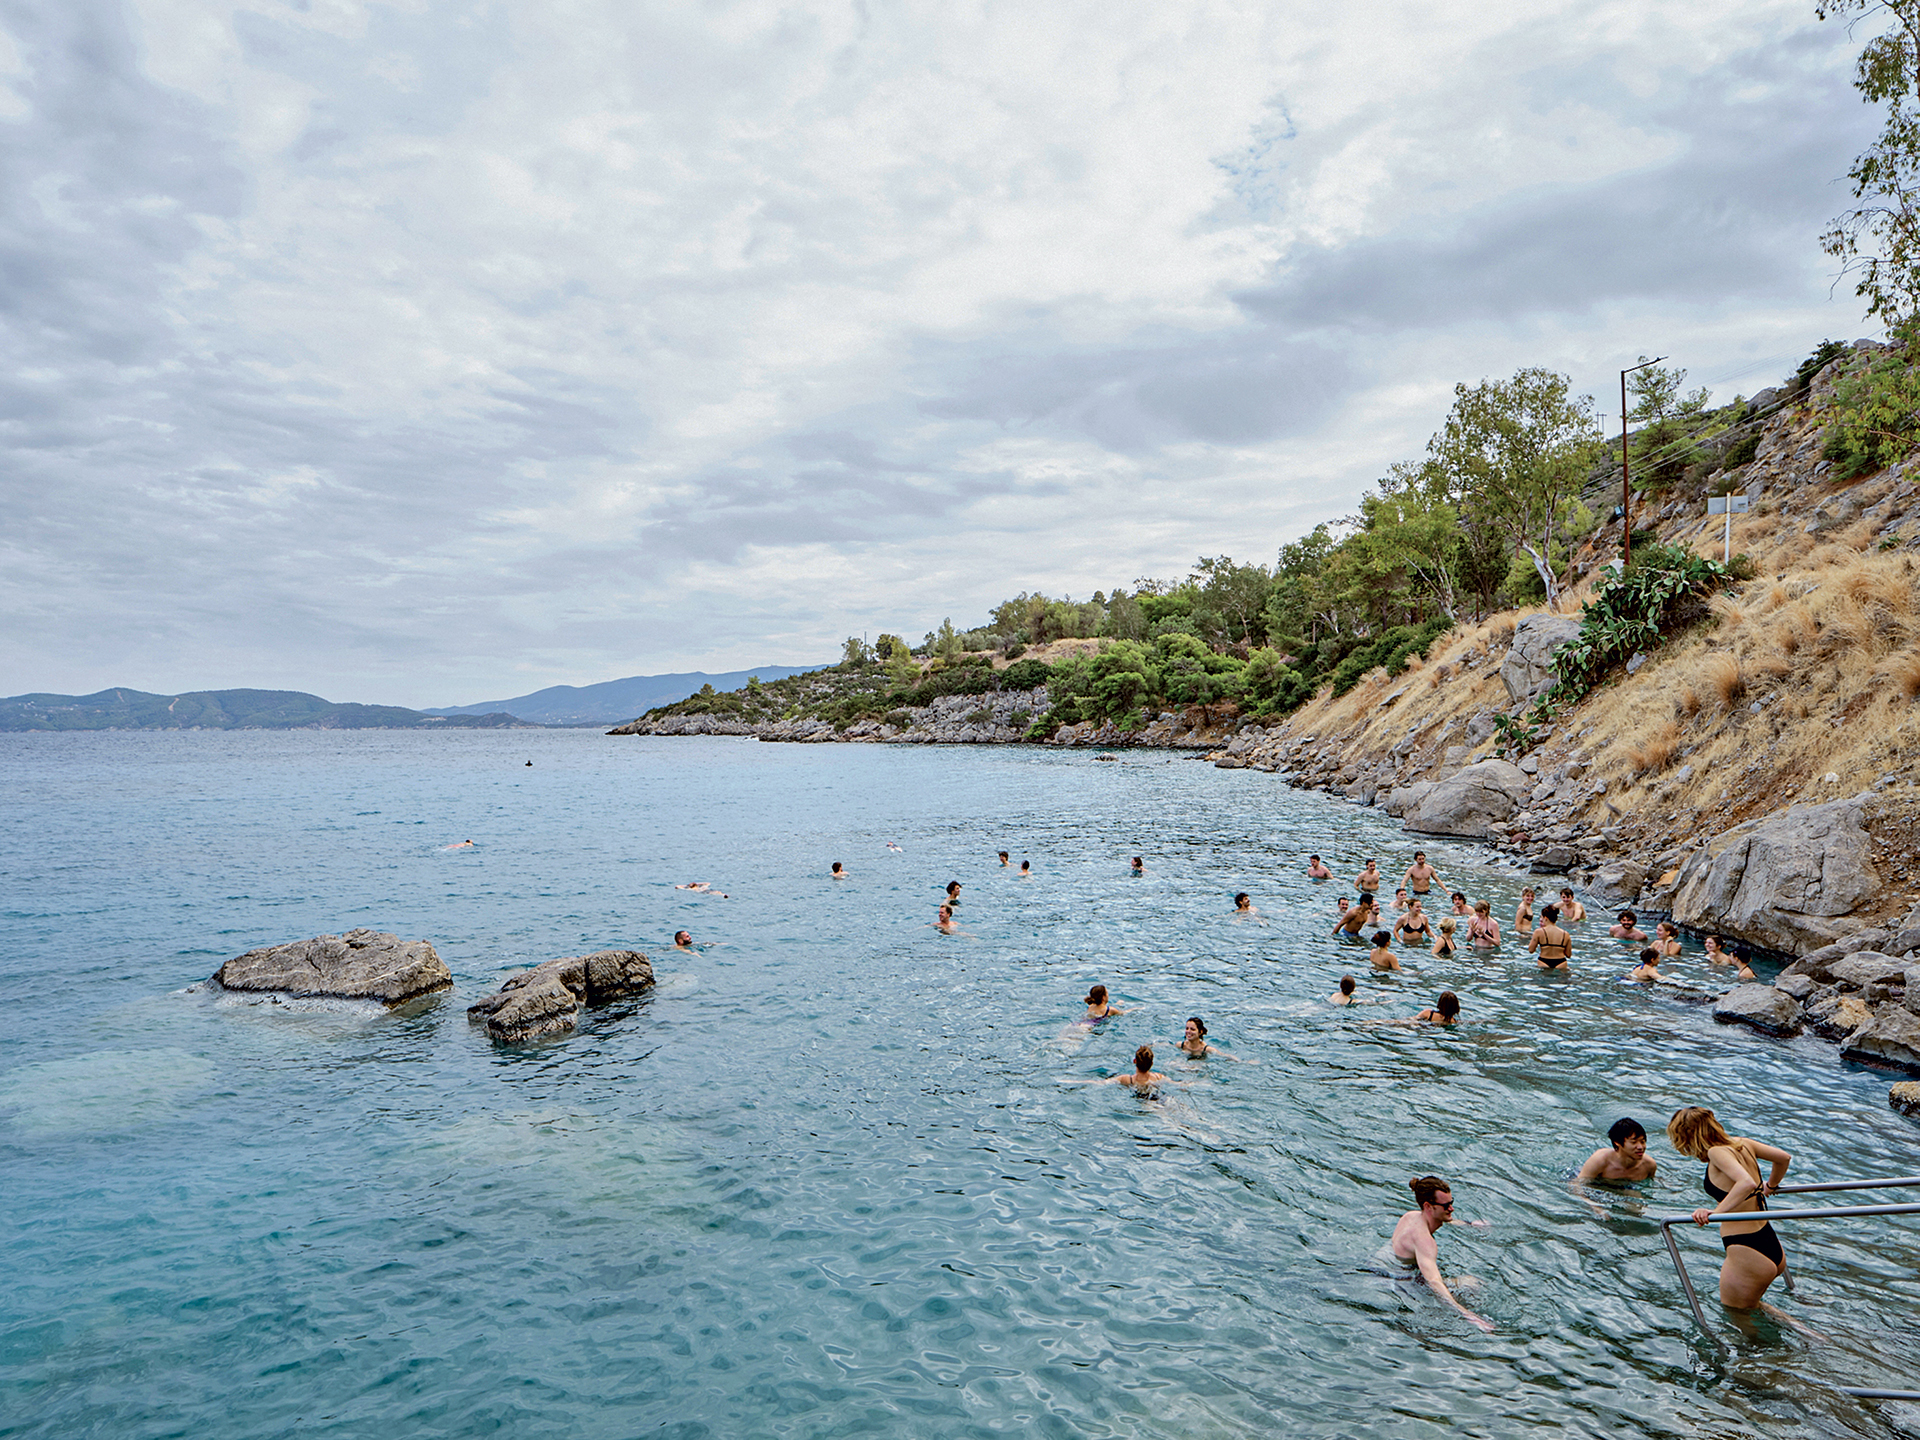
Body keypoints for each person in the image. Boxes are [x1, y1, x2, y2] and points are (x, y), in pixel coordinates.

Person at [1669, 1106, 1794, 1311]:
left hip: (1746, 1248)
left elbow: (1745, 1183)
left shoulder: (1716, 1152)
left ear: (1688, 1136)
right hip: (1769, 1242)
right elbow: (1783, 1158)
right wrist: (1770, 1185)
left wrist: (1715, 1213)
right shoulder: (1743, 1144)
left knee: (1735, 1315)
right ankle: (1811, 1336)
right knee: (1752, 1306)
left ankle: (1810, 1342)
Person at [1388, 1176, 1494, 1331]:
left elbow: (1441, 1218)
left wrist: (1469, 1224)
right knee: (1472, 1284)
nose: (1451, 1209)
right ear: (1428, 1206)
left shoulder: (1410, 1216)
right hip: (1399, 1283)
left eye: (1452, 1203)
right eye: (1446, 1205)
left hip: (1386, 1268)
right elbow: (1434, 1281)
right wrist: (1468, 1315)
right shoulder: (1425, 1242)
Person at [1577, 1117, 1659, 1184]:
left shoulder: (1649, 1165)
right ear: (1617, 1143)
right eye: (1634, 1142)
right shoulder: (1600, 1160)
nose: (1640, 1147)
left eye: (1643, 1142)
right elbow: (1576, 1185)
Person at [1176, 1016, 1243, 1060]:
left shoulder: (1206, 1049)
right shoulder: (1180, 1045)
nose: (1188, 1031)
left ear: (1200, 1032)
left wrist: (1242, 1062)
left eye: (1192, 1029)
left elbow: (1224, 1055)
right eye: (1187, 1028)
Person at [1530, 904, 1573, 970]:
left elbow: (1531, 950)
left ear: (1546, 918)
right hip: (1561, 962)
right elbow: (1569, 955)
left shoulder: (1538, 932)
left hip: (1543, 962)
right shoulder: (1565, 934)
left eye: (1542, 917)